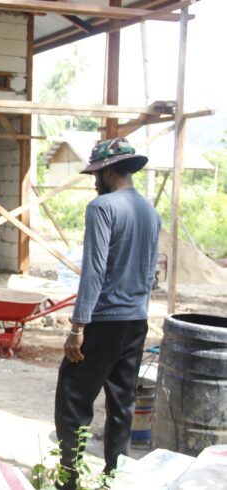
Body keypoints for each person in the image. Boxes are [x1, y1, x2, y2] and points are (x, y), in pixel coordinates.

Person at [54, 138, 161, 487]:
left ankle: (68, 480)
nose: (94, 181)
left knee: (72, 398)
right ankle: (115, 477)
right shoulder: (151, 212)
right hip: (136, 321)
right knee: (122, 403)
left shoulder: (101, 207)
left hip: (103, 321)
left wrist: (77, 327)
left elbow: (94, 271)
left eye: (96, 174)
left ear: (109, 170)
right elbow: (150, 273)